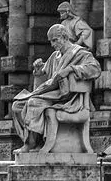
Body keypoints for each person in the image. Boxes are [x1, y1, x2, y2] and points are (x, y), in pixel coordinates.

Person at [11, 23, 100, 154]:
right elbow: (44, 73)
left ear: (64, 37)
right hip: (52, 94)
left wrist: (71, 69)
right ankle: (36, 140)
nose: (52, 44)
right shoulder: (55, 56)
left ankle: (30, 143)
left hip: (68, 98)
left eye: (55, 40)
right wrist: (38, 70)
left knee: (33, 103)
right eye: (51, 41)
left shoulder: (80, 53)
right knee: (17, 106)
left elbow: (95, 69)